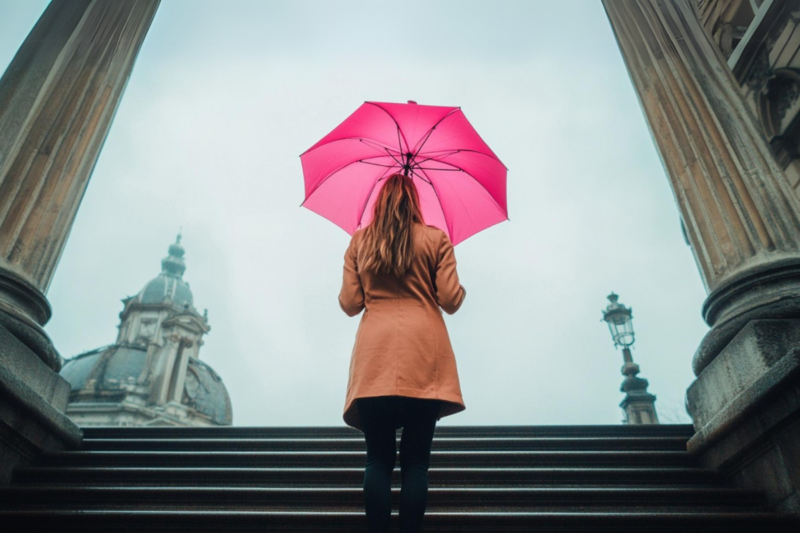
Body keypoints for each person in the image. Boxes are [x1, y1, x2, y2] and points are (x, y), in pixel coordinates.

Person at [338, 173, 467, 533]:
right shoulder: (436, 239)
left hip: (374, 356)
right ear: (416, 202)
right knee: (415, 464)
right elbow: (451, 300)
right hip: (424, 354)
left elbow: (350, 304)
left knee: (377, 459)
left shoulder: (359, 242)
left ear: (379, 203)